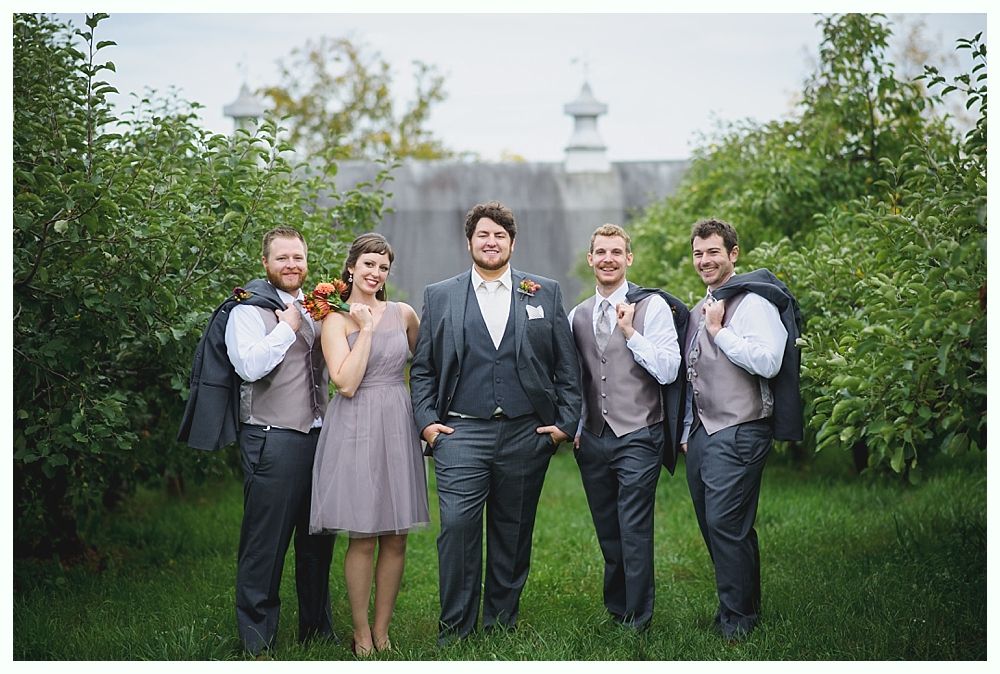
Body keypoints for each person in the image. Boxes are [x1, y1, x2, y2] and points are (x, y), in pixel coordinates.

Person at [410, 200, 582, 644]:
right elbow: (424, 367)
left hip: (527, 433)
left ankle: (501, 624)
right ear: (469, 242)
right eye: (483, 235)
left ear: (512, 242)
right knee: (458, 528)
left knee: (513, 529)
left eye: (499, 236)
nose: (491, 242)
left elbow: (567, 364)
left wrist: (565, 423)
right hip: (460, 431)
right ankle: (456, 629)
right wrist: (428, 423)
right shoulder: (440, 295)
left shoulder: (543, 291)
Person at [681, 217, 802, 641]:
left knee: (727, 524)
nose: (705, 260)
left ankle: (739, 620)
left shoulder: (753, 304)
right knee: (714, 524)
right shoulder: (703, 305)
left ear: (733, 254)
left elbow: (769, 360)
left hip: (742, 428)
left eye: (713, 251)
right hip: (703, 434)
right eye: (698, 253)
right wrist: (686, 433)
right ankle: (739, 604)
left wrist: (719, 332)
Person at [309, 232, 429, 657]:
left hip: (397, 420)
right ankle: (360, 633)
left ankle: (383, 630)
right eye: (369, 265)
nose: (376, 274)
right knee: (362, 534)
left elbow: (429, 365)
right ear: (351, 267)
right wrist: (365, 329)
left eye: (383, 267)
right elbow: (345, 382)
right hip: (356, 422)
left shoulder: (405, 313)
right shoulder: (335, 321)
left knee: (396, 536)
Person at [223, 227, 336, 655]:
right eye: (283, 258)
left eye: (299, 258)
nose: (292, 265)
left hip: (319, 437)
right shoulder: (248, 311)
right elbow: (249, 367)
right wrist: (286, 327)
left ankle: (316, 629)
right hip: (272, 439)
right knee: (265, 544)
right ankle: (257, 640)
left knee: (317, 540)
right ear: (265, 263)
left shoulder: (314, 309)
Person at [567, 224, 682, 631]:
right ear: (590, 259)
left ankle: (639, 618)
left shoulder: (653, 308)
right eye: (601, 252)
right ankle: (617, 609)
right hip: (593, 439)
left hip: (639, 434)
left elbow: (669, 370)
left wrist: (630, 332)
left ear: (629, 259)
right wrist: (577, 426)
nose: (609, 259)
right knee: (608, 529)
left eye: (617, 252)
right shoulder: (577, 314)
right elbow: (577, 378)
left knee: (633, 526)